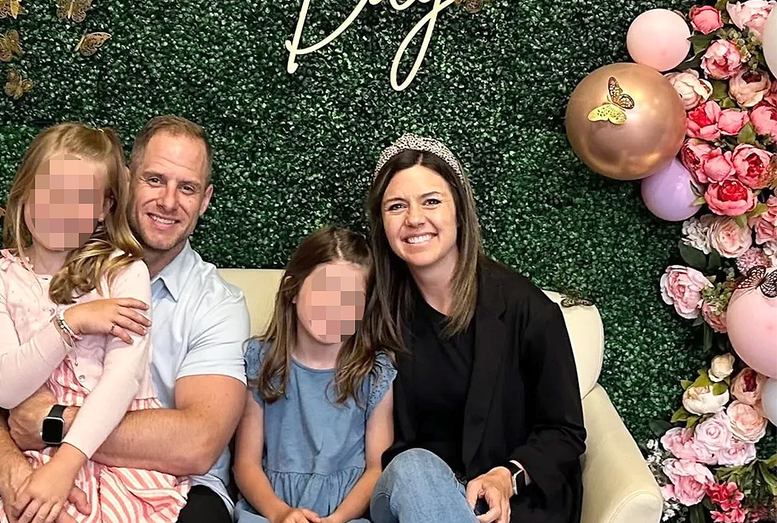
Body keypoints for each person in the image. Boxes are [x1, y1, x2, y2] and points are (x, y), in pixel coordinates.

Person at [0, 115, 250, 523]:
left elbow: (196, 445)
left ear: (205, 199)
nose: (168, 201)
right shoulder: (26, 278)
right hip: (43, 467)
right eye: (154, 180)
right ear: (124, 182)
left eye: (187, 188)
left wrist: (53, 422)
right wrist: (24, 487)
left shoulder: (217, 304)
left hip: (172, 484)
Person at [362, 134, 587, 523]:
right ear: (381, 223)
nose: (414, 219)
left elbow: (564, 432)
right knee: (414, 467)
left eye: (431, 201)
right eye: (396, 206)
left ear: (460, 211)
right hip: (411, 493)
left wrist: (506, 477)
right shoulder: (374, 308)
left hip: (509, 502)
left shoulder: (526, 309)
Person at [233, 226, 395, 523]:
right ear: (292, 290)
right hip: (271, 512)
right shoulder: (261, 361)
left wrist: (337, 519)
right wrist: (281, 513)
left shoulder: (374, 374)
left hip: (348, 516)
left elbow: (376, 469)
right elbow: (246, 464)